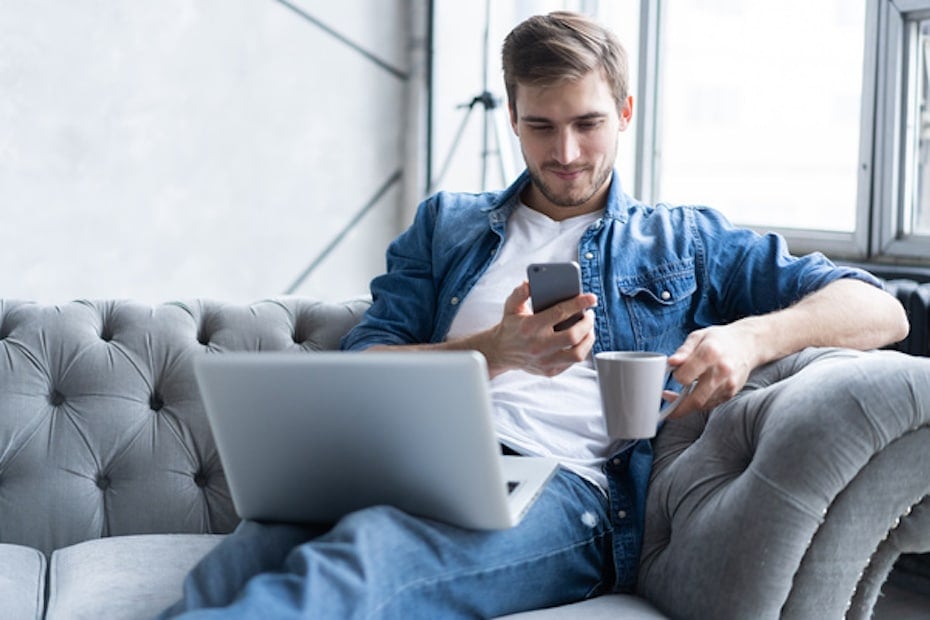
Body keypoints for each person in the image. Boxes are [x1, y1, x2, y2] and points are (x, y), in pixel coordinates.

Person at [159, 11, 909, 619]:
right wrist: (497, 349)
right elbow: (365, 366)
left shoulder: (685, 240)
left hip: (566, 489)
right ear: (511, 118)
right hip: (415, 460)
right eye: (541, 127)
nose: (568, 152)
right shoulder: (446, 226)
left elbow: (882, 308)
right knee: (241, 563)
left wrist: (750, 336)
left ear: (624, 112)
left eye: (587, 123)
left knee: (360, 566)